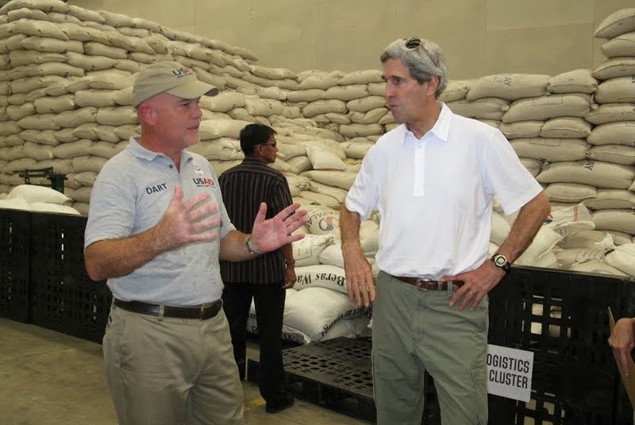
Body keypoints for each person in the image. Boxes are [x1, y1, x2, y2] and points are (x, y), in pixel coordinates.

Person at [339, 38, 551, 425]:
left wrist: (496, 266)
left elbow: (535, 205)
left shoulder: (479, 142)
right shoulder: (384, 150)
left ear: (430, 84)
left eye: (397, 82)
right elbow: (352, 208)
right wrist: (352, 250)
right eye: (385, 81)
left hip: (455, 306)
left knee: (465, 413)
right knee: (394, 411)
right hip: (393, 302)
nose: (387, 93)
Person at [83, 61, 307, 425]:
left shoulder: (201, 168)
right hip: (150, 334)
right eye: (185, 105)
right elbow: (96, 262)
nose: (198, 113)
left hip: (213, 327)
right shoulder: (120, 174)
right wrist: (160, 238)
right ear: (149, 112)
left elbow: (224, 240)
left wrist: (254, 244)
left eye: (198, 104)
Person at [219, 123, 296, 414]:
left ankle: (228, 389)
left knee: (231, 330)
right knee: (269, 335)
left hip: (232, 270)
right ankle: (274, 397)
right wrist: (289, 264)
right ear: (260, 149)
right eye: (273, 145)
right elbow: (284, 227)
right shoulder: (275, 180)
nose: (276, 150)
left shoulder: (225, 179)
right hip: (266, 272)